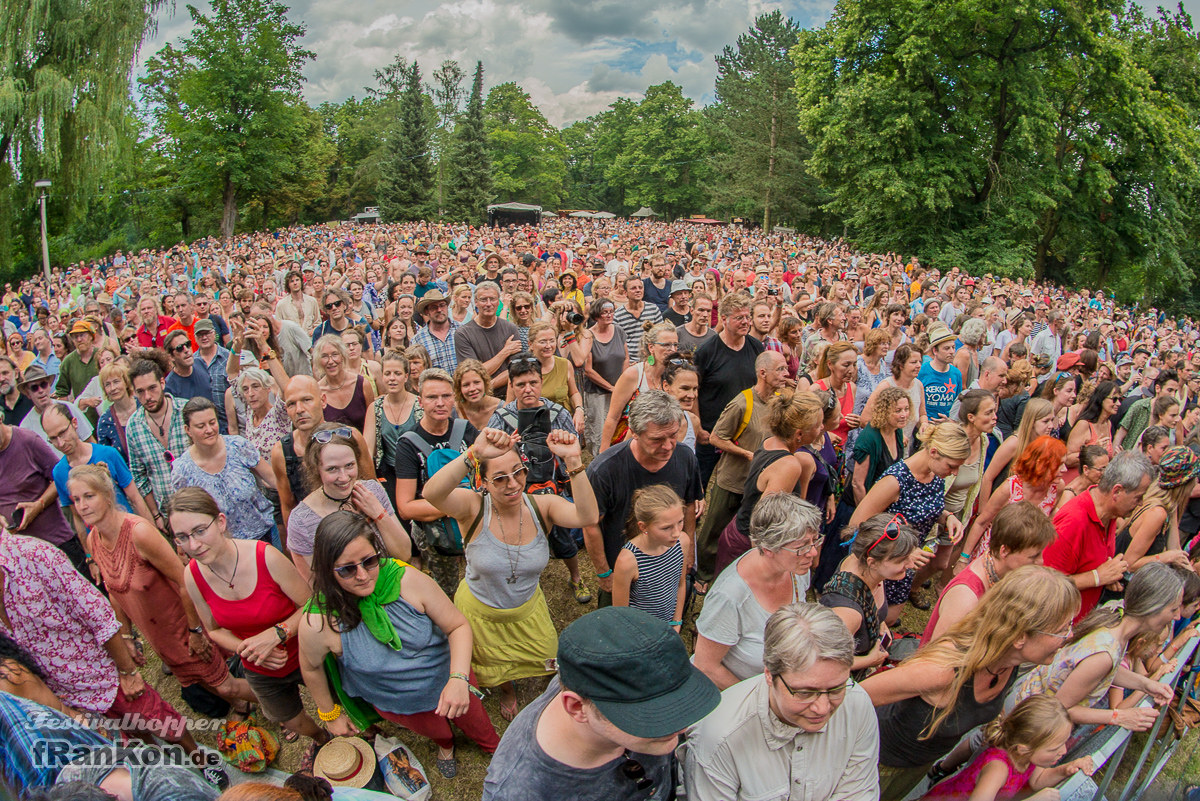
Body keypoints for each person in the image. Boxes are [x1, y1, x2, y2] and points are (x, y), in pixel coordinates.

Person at [297, 511, 500, 778]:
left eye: (369, 561)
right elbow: (311, 668)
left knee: (477, 722)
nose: (362, 575)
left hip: (450, 680)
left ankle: (493, 748)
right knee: (435, 731)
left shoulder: (407, 580)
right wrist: (329, 714)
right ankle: (446, 744)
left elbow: (457, 626)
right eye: (347, 569)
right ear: (326, 569)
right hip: (396, 701)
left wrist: (459, 679)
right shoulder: (317, 623)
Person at [0, 518, 210, 768]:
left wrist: (127, 671)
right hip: (64, 699)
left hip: (102, 674)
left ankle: (203, 762)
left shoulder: (36, 556)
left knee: (162, 724)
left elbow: (97, 613)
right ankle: (159, 769)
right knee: (129, 746)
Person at [860, 566, 1080, 801]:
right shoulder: (945, 670)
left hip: (916, 765)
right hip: (875, 762)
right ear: (1019, 636)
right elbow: (855, 696)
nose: (1069, 636)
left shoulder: (1011, 663)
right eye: (1060, 629)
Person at [422, 426, 596, 720]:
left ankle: (542, 693)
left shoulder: (543, 506)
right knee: (493, 666)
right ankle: (506, 690)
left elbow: (588, 516)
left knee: (546, 655)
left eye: (519, 472)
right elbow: (432, 493)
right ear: (484, 482)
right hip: (481, 612)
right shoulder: (472, 507)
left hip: (527, 610)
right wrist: (473, 454)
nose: (513, 484)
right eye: (500, 479)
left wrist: (574, 462)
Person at [68, 464, 255, 713]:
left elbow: (184, 580)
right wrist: (126, 636)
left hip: (184, 626)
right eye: (76, 499)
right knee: (198, 681)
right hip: (160, 638)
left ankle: (281, 707)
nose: (82, 505)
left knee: (224, 685)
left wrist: (195, 631)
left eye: (89, 496)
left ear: (108, 495)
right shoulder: (94, 540)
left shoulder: (139, 533)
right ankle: (242, 705)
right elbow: (114, 592)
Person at [482, 606, 719, 801]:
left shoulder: (586, 679)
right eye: (650, 716)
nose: (681, 727)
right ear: (576, 707)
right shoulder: (520, 792)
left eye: (679, 701)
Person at [172, 487, 330, 762]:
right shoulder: (192, 576)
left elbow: (310, 604)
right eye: (183, 537)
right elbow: (214, 629)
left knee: (338, 700)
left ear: (220, 522)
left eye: (200, 530)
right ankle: (322, 739)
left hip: (305, 648)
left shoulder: (264, 556)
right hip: (260, 665)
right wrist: (251, 649)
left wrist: (277, 634)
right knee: (289, 718)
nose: (194, 545)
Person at [683, 603, 880, 801]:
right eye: (805, 693)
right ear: (769, 674)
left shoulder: (857, 704)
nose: (823, 708)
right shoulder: (718, 737)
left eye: (836, 688)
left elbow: (859, 793)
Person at [1013, 562, 1179, 729]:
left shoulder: (1116, 617)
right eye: (1173, 610)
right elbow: (1061, 709)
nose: (1177, 616)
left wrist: (1146, 685)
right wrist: (1119, 716)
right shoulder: (1103, 655)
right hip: (1029, 724)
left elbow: (1106, 672)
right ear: (1153, 607)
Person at [488, 354, 592, 601]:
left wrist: (564, 444)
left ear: (541, 380)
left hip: (552, 487)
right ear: (511, 385)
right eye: (521, 384)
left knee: (563, 538)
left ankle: (576, 577)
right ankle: (522, 584)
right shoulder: (501, 418)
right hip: (517, 491)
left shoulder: (557, 413)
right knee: (516, 540)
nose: (528, 389)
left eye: (533, 382)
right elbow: (487, 458)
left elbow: (574, 450)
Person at [584, 391, 702, 607]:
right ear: (635, 432)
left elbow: (690, 504)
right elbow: (591, 525)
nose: (668, 446)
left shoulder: (686, 458)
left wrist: (689, 554)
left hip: (669, 565)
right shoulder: (604, 470)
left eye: (673, 435)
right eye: (657, 439)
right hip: (624, 572)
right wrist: (604, 573)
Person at [694, 492, 823, 689]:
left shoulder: (796, 568)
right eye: (802, 546)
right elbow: (706, 667)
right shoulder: (730, 597)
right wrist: (763, 698)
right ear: (769, 548)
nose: (813, 553)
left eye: (815, 540)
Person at [846, 420, 971, 618]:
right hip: (882, 564)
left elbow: (922, 509)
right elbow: (856, 525)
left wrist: (947, 517)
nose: (954, 473)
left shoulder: (935, 474)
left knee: (890, 618)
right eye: (952, 466)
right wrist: (902, 552)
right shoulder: (895, 481)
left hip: (906, 563)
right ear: (934, 452)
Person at [696, 350, 789, 586]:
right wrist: (748, 454)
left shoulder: (781, 402)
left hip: (758, 485)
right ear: (762, 373)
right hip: (733, 480)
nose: (786, 373)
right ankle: (703, 573)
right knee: (715, 529)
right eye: (780, 369)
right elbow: (717, 438)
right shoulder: (742, 403)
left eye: (786, 368)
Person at [715, 391, 823, 577]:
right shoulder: (788, 465)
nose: (822, 428)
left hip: (735, 533)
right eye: (818, 425)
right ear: (799, 433)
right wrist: (764, 567)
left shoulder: (770, 441)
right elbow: (762, 523)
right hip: (747, 547)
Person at [286, 423, 412, 582]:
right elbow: (315, 584)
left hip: (389, 583)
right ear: (316, 468)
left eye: (349, 466)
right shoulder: (302, 520)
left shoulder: (372, 490)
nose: (344, 477)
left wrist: (379, 514)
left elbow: (404, 553)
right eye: (332, 469)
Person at [394, 368, 480, 597]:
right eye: (432, 397)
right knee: (448, 590)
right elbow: (405, 507)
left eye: (446, 396)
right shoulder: (408, 444)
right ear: (420, 401)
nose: (440, 403)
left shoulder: (466, 429)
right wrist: (457, 505)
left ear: (454, 398)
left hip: (472, 523)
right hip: (434, 534)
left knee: (480, 579)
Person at [923, 501, 1057, 644]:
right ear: (1004, 551)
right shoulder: (967, 596)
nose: (1041, 562)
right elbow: (938, 654)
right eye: (1034, 556)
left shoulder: (997, 569)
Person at [1044, 449, 1154, 621]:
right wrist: (1097, 577)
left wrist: (1106, 576)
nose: (1141, 504)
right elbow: (1046, 583)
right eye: (1138, 497)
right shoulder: (1074, 521)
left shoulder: (1109, 516)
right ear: (1117, 492)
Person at [923, 695, 1095, 800]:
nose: (1064, 751)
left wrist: (1065, 770)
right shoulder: (998, 769)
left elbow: (1037, 780)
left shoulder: (1026, 757)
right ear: (1023, 748)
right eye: (1054, 749)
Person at [271, 376, 375, 533]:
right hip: (315, 537)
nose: (299, 409)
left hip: (357, 530)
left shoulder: (350, 437)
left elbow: (370, 487)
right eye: (292, 404)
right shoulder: (281, 452)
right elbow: (288, 507)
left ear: (323, 400)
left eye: (306, 400)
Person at [171, 397, 278, 544]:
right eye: (201, 426)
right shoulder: (182, 471)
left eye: (212, 423)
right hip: (225, 547)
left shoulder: (238, 446)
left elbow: (274, 479)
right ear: (188, 430)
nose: (209, 430)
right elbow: (185, 516)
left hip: (264, 535)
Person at [821, 513, 918, 672]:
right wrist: (869, 660)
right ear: (872, 562)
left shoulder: (866, 564)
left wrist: (880, 622)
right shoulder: (847, 613)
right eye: (901, 560)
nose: (911, 564)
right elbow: (825, 663)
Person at [41, 403, 153, 536]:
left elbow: (135, 497)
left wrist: (152, 533)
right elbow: (77, 517)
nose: (60, 443)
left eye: (63, 433)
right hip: (99, 542)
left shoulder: (107, 454)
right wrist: (89, 552)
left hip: (128, 531)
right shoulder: (59, 472)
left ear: (74, 423)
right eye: (53, 438)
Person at [0, 417, 88, 571]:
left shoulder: (27, 440)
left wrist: (38, 505)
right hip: (19, 558)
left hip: (56, 543)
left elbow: (60, 478)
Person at [695, 294, 764, 486]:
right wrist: (698, 427)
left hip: (746, 433)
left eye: (747, 317)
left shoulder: (756, 347)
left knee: (743, 485)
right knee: (700, 484)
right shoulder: (707, 352)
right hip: (712, 431)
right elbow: (693, 393)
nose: (745, 322)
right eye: (739, 318)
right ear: (724, 319)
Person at [612, 485, 690, 629]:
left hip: (668, 626)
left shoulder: (682, 542)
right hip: (640, 631)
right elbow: (620, 614)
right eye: (666, 528)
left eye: (680, 522)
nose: (676, 533)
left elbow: (680, 583)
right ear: (643, 527)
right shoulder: (628, 561)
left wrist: (676, 622)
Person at [1114, 445, 1199, 570]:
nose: (1197, 482)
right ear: (1185, 483)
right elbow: (1129, 564)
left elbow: (1174, 548)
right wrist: (1166, 557)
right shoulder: (1157, 513)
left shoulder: (1170, 506)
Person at [127, 357, 189, 524]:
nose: (147, 396)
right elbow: (139, 475)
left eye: (152, 388)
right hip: (168, 515)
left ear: (162, 383)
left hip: (199, 504)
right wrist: (155, 515)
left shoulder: (185, 411)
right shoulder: (134, 426)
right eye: (140, 391)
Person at [600, 321, 678, 450]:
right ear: (651, 347)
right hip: (629, 445)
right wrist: (603, 452)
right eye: (667, 345)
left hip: (663, 446)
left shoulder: (675, 375)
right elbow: (613, 417)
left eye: (675, 345)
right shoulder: (634, 375)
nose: (673, 350)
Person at [362, 348, 421, 495]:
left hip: (418, 471)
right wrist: (373, 483)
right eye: (387, 374)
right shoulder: (375, 408)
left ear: (406, 376)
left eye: (397, 373)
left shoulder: (419, 404)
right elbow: (367, 450)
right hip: (390, 473)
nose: (392, 378)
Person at [454, 282, 521, 393]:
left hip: (508, 396)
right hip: (479, 399)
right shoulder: (463, 334)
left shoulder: (510, 328)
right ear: (476, 302)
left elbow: (516, 368)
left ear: (498, 301)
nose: (488, 304)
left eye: (493, 299)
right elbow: (473, 374)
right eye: (483, 300)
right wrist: (505, 351)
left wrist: (488, 386)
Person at [581, 298, 628, 455]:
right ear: (596, 316)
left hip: (619, 389)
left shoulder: (619, 331)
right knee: (600, 433)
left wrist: (623, 383)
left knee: (620, 429)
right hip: (597, 393)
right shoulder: (588, 336)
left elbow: (625, 357)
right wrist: (611, 388)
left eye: (611, 312)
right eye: (604, 312)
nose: (609, 315)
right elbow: (588, 370)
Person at [859, 342, 926, 453]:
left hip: (907, 450)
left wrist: (924, 424)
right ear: (900, 365)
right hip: (885, 451)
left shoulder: (918, 385)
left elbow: (922, 414)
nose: (918, 365)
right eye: (913, 362)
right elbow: (865, 420)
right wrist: (895, 434)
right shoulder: (886, 386)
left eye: (920, 362)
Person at [18, 363, 94, 444]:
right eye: (34, 388)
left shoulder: (69, 408)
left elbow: (91, 442)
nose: (40, 390)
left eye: (43, 384)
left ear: (49, 386)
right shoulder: (26, 427)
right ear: (28, 394)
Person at [314, 334, 374, 432]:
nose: (330, 361)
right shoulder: (317, 392)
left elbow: (373, 424)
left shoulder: (362, 384)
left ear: (342, 356)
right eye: (324, 356)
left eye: (335, 354)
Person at [919, 323, 963, 422]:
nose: (951, 351)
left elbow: (957, 404)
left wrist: (950, 421)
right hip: (925, 426)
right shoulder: (922, 371)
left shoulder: (956, 373)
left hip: (946, 428)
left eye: (953, 347)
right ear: (935, 350)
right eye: (946, 348)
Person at [95, 361, 137, 462]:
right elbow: (106, 459)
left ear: (126, 382)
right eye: (107, 384)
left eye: (116, 382)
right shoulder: (105, 422)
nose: (113, 388)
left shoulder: (144, 406)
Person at [413, 289, 459, 373]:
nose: (439, 310)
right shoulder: (418, 340)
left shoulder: (462, 330)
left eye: (442, 305)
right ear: (427, 311)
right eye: (434, 307)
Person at [163, 329, 213, 403]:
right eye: (179, 348)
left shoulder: (200, 363)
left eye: (187, 344)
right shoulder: (169, 387)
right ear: (171, 356)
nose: (186, 350)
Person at [454, 358, 503, 432]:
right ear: (459, 388)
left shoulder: (501, 407)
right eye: (466, 385)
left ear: (485, 382)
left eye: (476, 382)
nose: (472, 388)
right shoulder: (454, 410)